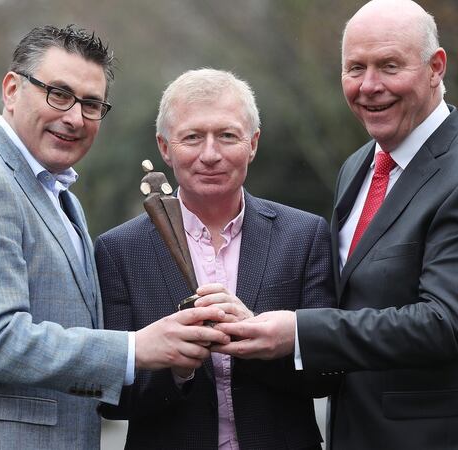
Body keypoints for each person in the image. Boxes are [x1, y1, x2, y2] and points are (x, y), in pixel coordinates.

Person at [213, 1, 458, 449]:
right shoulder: (360, 166)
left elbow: (443, 324)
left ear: (435, 68)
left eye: (389, 66)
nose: (369, 86)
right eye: (355, 68)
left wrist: (299, 332)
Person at [0, 26, 228, 450]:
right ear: (12, 89)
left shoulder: (57, 195)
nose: (74, 117)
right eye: (58, 93)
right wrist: (135, 348)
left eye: (91, 104)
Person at [96, 68, 336, 449]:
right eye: (192, 137)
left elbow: (327, 375)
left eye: (227, 136)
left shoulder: (304, 235)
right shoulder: (119, 250)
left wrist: (259, 336)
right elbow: (112, 400)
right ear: (164, 146)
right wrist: (177, 369)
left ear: (253, 143)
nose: (210, 155)